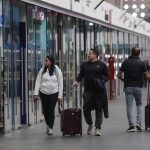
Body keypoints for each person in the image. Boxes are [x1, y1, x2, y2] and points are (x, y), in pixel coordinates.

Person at [73, 49, 109, 136]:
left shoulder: (102, 65)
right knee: (86, 109)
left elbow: (107, 76)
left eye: (89, 54)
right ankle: (90, 124)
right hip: (87, 91)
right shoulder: (85, 65)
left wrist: (101, 81)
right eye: (88, 54)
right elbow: (81, 75)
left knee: (99, 109)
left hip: (98, 91)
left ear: (95, 55)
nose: (88, 55)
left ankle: (98, 128)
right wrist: (76, 81)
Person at [118, 47, 149, 132]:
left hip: (128, 87)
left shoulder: (125, 62)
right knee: (139, 104)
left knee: (129, 106)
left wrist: (124, 80)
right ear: (139, 53)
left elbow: (119, 75)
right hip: (138, 87)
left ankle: (131, 126)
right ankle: (138, 123)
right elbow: (147, 76)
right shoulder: (142, 63)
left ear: (131, 52)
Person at [33, 55, 63, 135]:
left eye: (47, 60)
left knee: (51, 109)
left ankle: (51, 127)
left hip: (54, 93)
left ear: (51, 61)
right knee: (45, 111)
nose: (45, 62)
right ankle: (48, 124)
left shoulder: (57, 70)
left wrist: (60, 96)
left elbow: (60, 83)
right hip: (43, 93)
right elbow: (38, 81)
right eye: (45, 60)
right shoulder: (42, 70)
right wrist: (35, 93)